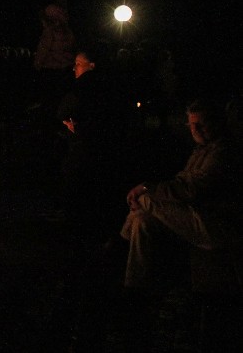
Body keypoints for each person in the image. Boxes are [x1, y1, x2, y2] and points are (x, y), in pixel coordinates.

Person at [119, 100, 241, 294]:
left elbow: (191, 189)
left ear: (217, 123)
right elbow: (181, 183)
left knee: (145, 199)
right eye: (192, 125)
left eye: (201, 124)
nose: (196, 130)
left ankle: (118, 245)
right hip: (196, 216)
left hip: (215, 224)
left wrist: (145, 187)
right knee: (142, 221)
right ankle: (136, 287)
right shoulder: (202, 150)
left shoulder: (223, 152)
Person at [57, 48, 128, 238]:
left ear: (92, 66)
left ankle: (80, 233)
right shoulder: (115, 86)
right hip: (109, 150)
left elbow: (64, 110)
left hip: (86, 148)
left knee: (80, 187)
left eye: (79, 64)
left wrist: (76, 127)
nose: (75, 69)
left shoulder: (84, 86)